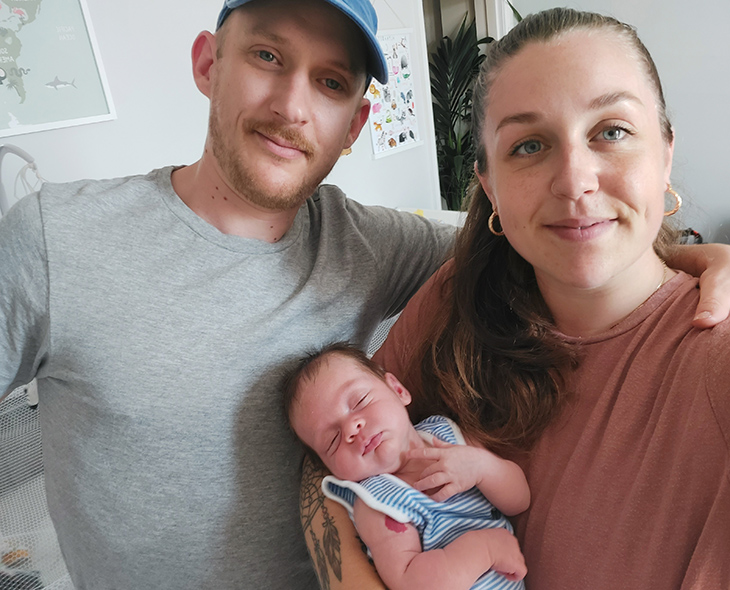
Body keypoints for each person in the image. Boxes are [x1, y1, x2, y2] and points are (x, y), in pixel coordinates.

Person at [0, 1, 727, 588]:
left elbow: (563, 242)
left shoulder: (370, 245)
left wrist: (700, 257)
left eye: (331, 81)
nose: (291, 104)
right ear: (207, 63)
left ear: (355, 124)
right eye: (266, 56)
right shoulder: (56, 238)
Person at [365, 8, 729, 590]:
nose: (574, 180)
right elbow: (331, 449)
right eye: (529, 145)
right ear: (488, 184)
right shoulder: (458, 296)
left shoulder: (715, 362)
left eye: (611, 131)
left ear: (665, 151)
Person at [285, 343, 529, 590]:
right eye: (332, 440)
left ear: (398, 389)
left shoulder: (447, 435)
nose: (351, 428)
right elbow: (412, 584)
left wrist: (483, 467)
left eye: (360, 401)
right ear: (331, 469)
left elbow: (520, 500)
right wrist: (485, 550)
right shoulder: (377, 503)